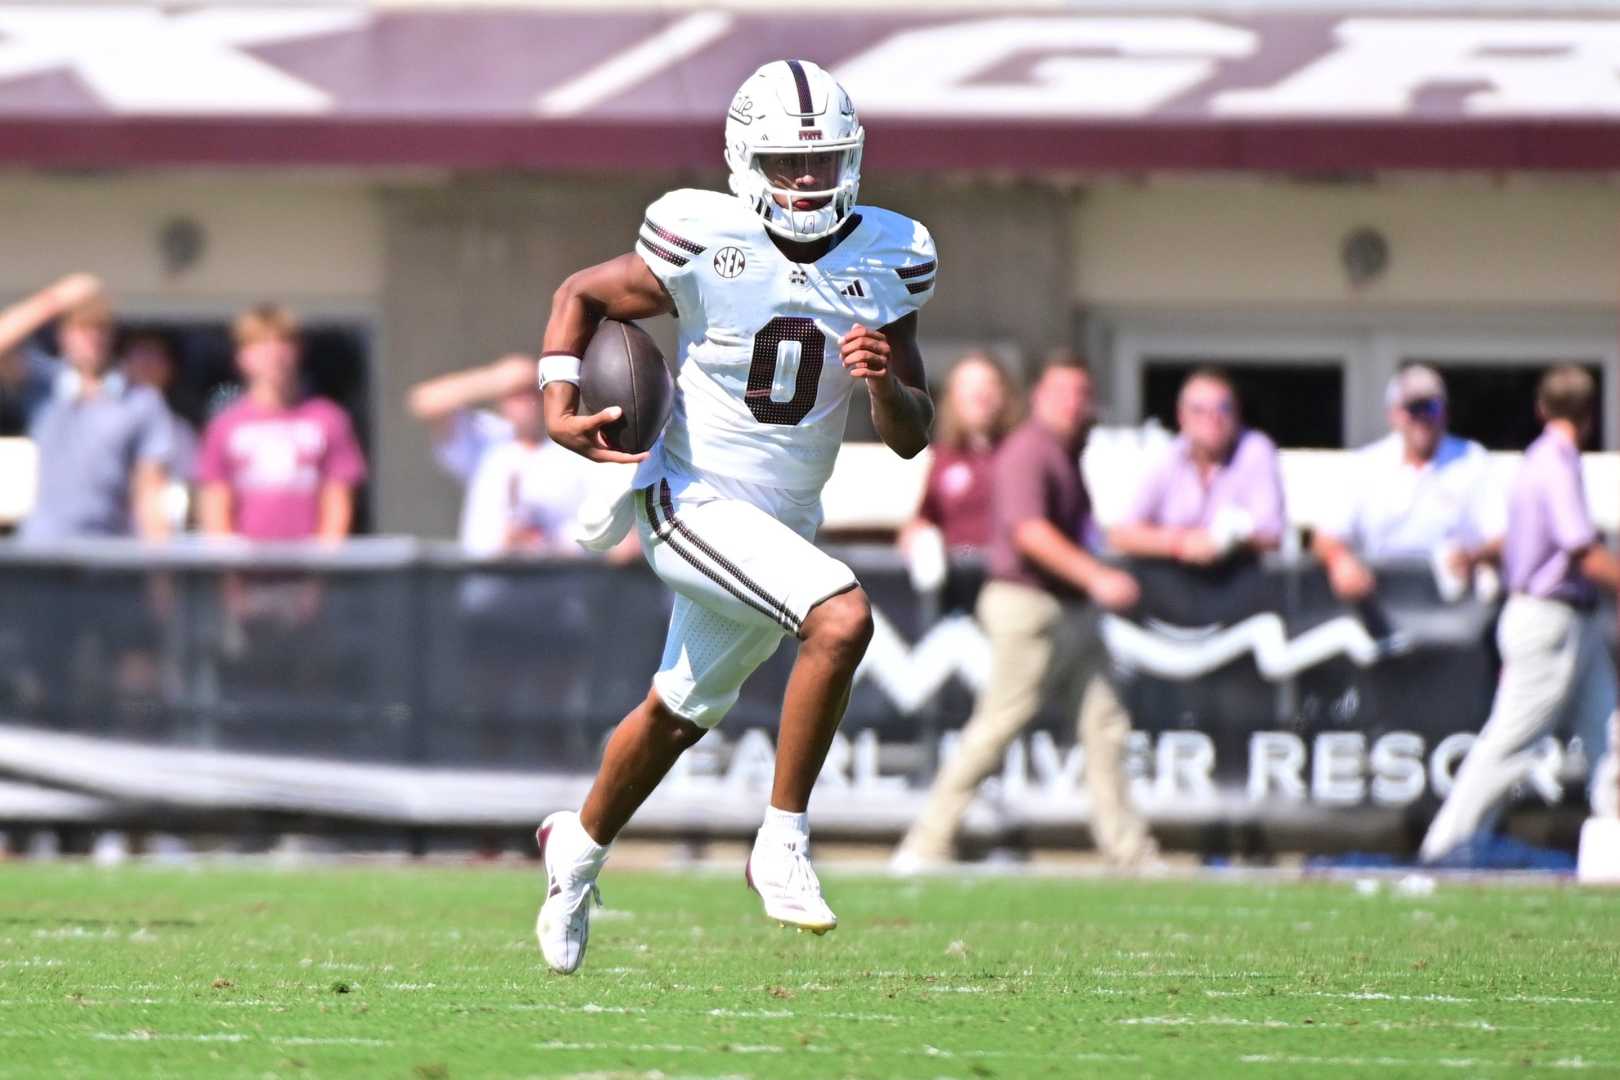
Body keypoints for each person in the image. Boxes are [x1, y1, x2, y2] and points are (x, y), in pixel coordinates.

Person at [531, 59, 937, 974]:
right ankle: (782, 840)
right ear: (743, 161)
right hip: (690, 499)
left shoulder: (890, 254)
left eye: (823, 162)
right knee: (841, 617)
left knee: (679, 712)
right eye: (789, 165)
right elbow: (580, 296)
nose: (806, 181)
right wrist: (559, 404)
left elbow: (914, 435)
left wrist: (882, 384)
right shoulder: (702, 234)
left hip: (784, 520)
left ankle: (577, 853)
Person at [892, 356, 1156, 872]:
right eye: (1061, 392)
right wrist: (1097, 576)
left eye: (1081, 393)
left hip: (1070, 609)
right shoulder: (1030, 451)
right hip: (1028, 606)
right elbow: (1029, 533)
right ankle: (926, 843)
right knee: (995, 728)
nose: (1072, 403)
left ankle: (1130, 854)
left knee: (1105, 727)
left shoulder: (1064, 451)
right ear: (1037, 397)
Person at [1419, 367, 1619, 863]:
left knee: (1609, 733)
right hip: (1549, 618)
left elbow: (1526, 538)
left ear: (1541, 409)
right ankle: (1445, 847)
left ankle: (1611, 844)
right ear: (1590, 416)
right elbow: (1579, 548)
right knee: (1511, 742)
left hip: (1571, 619)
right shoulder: (1555, 462)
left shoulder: (1540, 460)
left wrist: (1478, 555)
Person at [407, 354, 631, 560]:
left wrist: (544, 542)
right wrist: (495, 379)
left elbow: (600, 527)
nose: (525, 403)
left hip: (550, 583)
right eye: (515, 395)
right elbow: (424, 403)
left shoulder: (571, 454)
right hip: (485, 584)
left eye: (532, 392)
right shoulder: (487, 441)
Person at [1313, 365, 1506, 601]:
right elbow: (1326, 536)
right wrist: (1339, 561)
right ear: (1393, 414)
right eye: (1414, 408)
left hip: (1453, 606)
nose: (1423, 418)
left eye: (1432, 407)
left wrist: (1473, 557)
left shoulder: (1472, 460)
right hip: (1382, 599)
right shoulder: (1366, 465)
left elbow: (1503, 536)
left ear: (1444, 413)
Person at [6, 275, 175, 542]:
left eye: (99, 328)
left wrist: (161, 571)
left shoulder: (141, 401)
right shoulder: (44, 384)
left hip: (107, 554)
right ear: (63, 334)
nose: (91, 338)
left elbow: (150, 491)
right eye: (81, 328)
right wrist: (54, 300)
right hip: (42, 550)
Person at [196, 304, 367, 542]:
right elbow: (215, 501)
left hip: (310, 568)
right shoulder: (224, 425)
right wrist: (227, 567)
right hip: (244, 569)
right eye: (260, 343)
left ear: (298, 350)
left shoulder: (329, 418)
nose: (273, 353)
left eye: (282, 342)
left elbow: (338, 498)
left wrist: (325, 565)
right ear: (241, 356)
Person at [1107, 368, 1286, 566]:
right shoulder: (1166, 456)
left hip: (1240, 585)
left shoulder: (1255, 450)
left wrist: (1223, 541)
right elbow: (1120, 534)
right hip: (1171, 586)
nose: (1213, 418)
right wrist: (1180, 544)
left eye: (1224, 408)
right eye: (1199, 410)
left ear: (1238, 413)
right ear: (1181, 416)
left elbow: (1271, 533)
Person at [899, 353, 1018, 554]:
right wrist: (921, 541)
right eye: (968, 386)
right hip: (960, 573)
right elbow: (922, 520)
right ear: (952, 396)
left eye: (990, 384)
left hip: (1010, 574)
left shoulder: (1020, 454)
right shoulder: (940, 459)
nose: (980, 395)